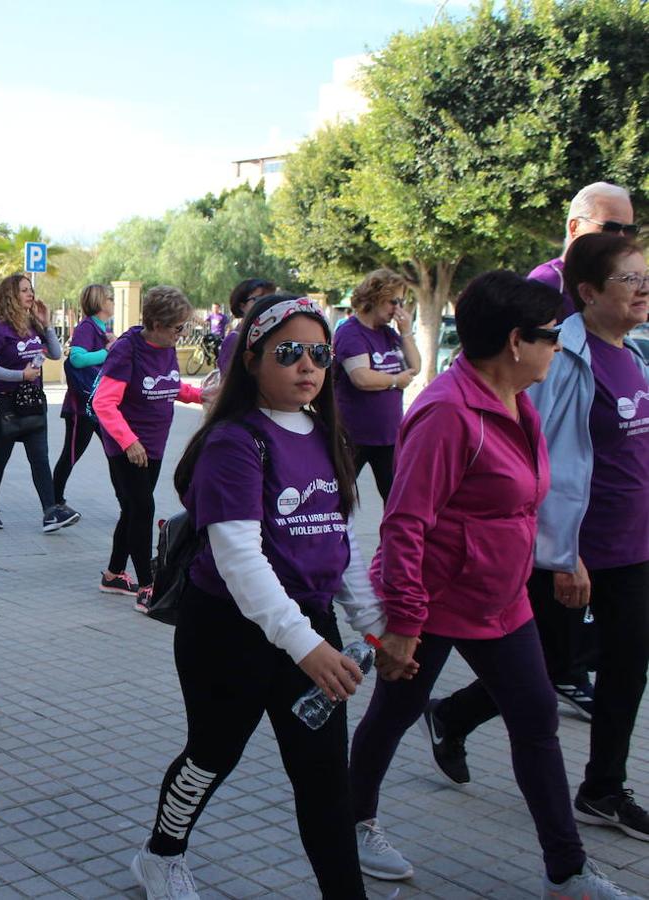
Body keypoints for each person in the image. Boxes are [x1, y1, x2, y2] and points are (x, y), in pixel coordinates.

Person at [347, 271, 637, 898]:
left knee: (536, 721)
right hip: (433, 602)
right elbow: (404, 523)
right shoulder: (448, 412)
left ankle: (566, 868)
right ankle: (350, 823)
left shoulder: (519, 401)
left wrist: (563, 558)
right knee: (391, 714)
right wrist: (401, 622)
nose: (559, 349)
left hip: (502, 601)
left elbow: (531, 501)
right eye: (552, 338)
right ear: (514, 341)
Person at [131, 293, 394, 900]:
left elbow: (342, 541)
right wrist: (307, 645)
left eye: (319, 353)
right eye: (289, 353)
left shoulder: (327, 432)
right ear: (251, 361)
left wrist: (376, 624)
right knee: (212, 754)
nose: (308, 366)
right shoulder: (234, 442)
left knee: (325, 779)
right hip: (229, 631)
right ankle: (161, 855)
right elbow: (241, 561)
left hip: (309, 634)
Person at [423, 235, 649, 837]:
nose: (643, 289)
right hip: (574, 548)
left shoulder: (635, 355)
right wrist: (561, 553)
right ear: (589, 292)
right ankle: (449, 715)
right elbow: (540, 461)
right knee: (546, 667)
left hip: (632, 541)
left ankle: (601, 788)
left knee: (626, 661)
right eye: (629, 279)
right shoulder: (561, 356)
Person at [93, 286, 204, 607]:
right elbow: (104, 403)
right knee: (143, 508)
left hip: (153, 445)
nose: (181, 334)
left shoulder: (165, 347)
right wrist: (129, 442)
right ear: (156, 323)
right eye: (177, 328)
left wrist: (202, 395)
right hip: (127, 447)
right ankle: (147, 586)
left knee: (133, 510)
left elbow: (167, 385)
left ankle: (114, 574)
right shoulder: (127, 350)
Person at [0, 274, 73, 533]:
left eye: (31, 290)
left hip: (32, 402)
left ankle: (50, 513)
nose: (30, 294)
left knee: (40, 459)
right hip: (6, 404)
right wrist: (19, 375)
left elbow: (54, 354)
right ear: (10, 295)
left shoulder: (34, 324)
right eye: (23, 290)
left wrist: (47, 325)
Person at [332, 268, 420, 502]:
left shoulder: (389, 334)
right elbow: (361, 377)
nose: (397, 309)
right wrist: (394, 381)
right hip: (354, 437)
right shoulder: (351, 333)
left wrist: (407, 332)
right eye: (394, 302)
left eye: (401, 302)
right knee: (335, 500)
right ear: (375, 297)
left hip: (389, 438)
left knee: (396, 502)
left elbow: (415, 366)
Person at [51, 283, 115, 520]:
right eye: (110, 298)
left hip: (100, 405)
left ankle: (127, 500)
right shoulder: (87, 328)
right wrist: (108, 351)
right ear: (100, 303)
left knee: (115, 453)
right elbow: (76, 359)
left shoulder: (101, 328)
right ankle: (54, 502)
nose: (113, 302)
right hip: (82, 407)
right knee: (71, 454)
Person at [531, 182, 636, 321]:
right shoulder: (548, 282)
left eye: (629, 230)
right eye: (611, 228)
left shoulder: (618, 285)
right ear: (575, 227)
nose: (621, 238)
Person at [216, 277, 276, 374]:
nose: (267, 305)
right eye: (260, 300)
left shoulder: (271, 335)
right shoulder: (234, 340)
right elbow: (228, 382)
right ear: (242, 306)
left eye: (271, 300)